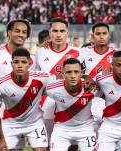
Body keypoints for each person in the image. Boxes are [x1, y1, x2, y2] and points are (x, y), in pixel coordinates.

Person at [34, 17, 81, 147]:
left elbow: (84, 77)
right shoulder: (40, 52)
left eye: (62, 31)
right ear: (50, 33)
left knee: (71, 144)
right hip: (46, 105)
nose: (58, 34)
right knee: (45, 144)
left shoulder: (78, 53)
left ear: (67, 32)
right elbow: (36, 79)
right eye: (55, 31)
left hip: (70, 105)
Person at [0, 48, 49, 151]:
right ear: (11, 64)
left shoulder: (42, 78)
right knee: (0, 148)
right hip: (10, 124)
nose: (20, 65)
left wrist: (85, 78)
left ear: (29, 64)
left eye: (23, 62)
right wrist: (0, 138)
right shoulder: (0, 83)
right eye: (16, 62)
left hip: (34, 124)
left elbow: (60, 85)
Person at [0, 19, 32, 151]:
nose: (21, 34)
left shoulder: (31, 58)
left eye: (24, 32)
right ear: (9, 33)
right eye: (17, 31)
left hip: (20, 115)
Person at [46, 58, 96, 151]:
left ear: (81, 73)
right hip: (62, 129)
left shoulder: (91, 86)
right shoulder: (52, 88)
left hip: (86, 128)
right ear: (63, 74)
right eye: (69, 72)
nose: (73, 76)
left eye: (76, 72)